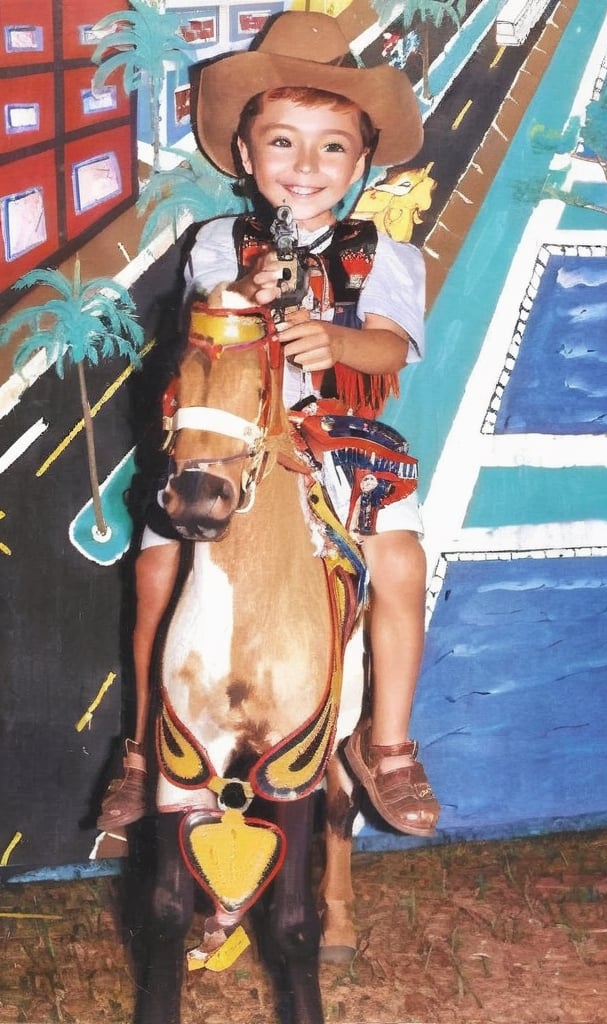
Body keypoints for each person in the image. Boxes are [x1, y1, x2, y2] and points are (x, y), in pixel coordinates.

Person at [98, 10, 440, 838]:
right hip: (232, 432)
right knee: (154, 572)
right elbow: (218, 312)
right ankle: (143, 747)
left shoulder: (389, 255)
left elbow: (391, 348)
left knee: (399, 561)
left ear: (360, 163)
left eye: (332, 147)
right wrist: (259, 288)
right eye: (282, 143)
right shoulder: (220, 240)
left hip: (334, 441)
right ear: (247, 157)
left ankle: (386, 743)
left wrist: (336, 338)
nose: (306, 165)